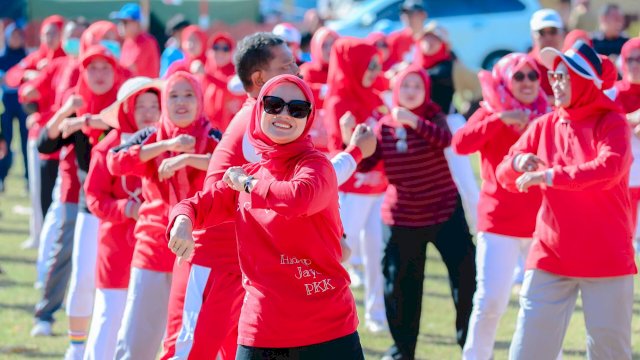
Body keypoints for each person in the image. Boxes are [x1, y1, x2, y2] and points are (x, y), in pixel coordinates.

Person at [168, 74, 365, 359]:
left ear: (308, 119)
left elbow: (297, 198)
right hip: (262, 330)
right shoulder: (248, 173)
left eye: (297, 109)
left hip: (327, 328)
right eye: (274, 104)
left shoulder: (315, 166)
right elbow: (200, 203)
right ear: (259, 109)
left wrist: (248, 185)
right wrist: (183, 221)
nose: (284, 114)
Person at [496, 40, 636, 360]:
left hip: (607, 257)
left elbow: (609, 169)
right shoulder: (543, 125)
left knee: (609, 352)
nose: (554, 83)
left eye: (564, 76)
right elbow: (506, 172)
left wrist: (547, 176)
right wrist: (518, 164)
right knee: (527, 351)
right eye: (554, 76)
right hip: (551, 254)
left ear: (586, 81)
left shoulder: (611, 122)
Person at [353, 67, 475, 359]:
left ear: (425, 90)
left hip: (445, 211)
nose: (410, 90)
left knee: (466, 279)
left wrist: (414, 121)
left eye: (416, 85)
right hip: (403, 218)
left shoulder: (433, 116)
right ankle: (402, 351)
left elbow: (446, 140)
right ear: (396, 89)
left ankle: (470, 345)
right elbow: (367, 166)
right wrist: (356, 144)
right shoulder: (384, 126)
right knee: (401, 289)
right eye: (405, 85)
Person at [108, 71, 218, 360]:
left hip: (200, 253)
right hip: (153, 247)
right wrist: (166, 146)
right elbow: (115, 162)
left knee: (194, 341)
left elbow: (233, 165)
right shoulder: (152, 135)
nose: (181, 102)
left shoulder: (213, 135)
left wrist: (188, 157)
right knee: (137, 341)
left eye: (188, 95)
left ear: (200, 100)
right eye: (173, 95)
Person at [452, 53, 548, 360]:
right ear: (505, 80)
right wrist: (500, 119)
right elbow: (461, 145)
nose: (528, 83)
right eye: (518, 76)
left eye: (533, 75)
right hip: (499, 223)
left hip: (541, 225)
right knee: (491, 301)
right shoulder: (490, 110)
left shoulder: (547, 111)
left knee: (540, 304)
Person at [38, 45, 126, 360]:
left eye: (105, 68)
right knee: (84, 276)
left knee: (122, 284)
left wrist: (88, 120)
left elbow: (125, 125)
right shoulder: (77, 104)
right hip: (90, 205)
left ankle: (114, 346)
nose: (99, 75)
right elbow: (45, 143)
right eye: (92, 68)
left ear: (116, 71)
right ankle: (76, 348)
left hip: (128, 208)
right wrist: (66, 112)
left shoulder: (124, 103)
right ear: (83, 73)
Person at [83, 77, 161, 360]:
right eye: (140, 106)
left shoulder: (164, 143)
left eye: (155, 105)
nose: (149, 112)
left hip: (155, 252)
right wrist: (126, 210)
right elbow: (93, 197)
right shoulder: (108, 148)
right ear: (125, 109)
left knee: (144, 327)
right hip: (117, 248)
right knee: (109, 318)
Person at [323, 37, 388, 333]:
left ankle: (377, 314)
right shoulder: (338, 100)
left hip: (378, 191)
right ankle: (331, 316)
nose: (376, 70)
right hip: (350, 193)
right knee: (338, 256)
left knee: (378, 255)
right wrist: (351, 135)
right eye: (370, 64)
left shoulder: (375, 97)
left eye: (377, 63)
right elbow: (341, 149)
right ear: (353, 65)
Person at [6, 15, 65, 250]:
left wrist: (38, 78)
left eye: (54, 33)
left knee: (57, 191)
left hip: (62, 135)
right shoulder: (38, 56)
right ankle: (38, 235)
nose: (49, 38)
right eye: (46, 33)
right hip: (38, 133)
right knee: (37, 188)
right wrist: (29, 76)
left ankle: (52, 237)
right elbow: (11, 76)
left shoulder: (65, 60)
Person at [614, 38, 640, 250]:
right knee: (623, 237)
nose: (634, 64)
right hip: (623, 175)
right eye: (630, 59)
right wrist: (631, 118)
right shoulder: (613, 93)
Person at [0, 22, 27, 192]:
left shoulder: (26, 57)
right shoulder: (2, 58)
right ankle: (1, 178)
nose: (16, 39)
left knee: (26, 143)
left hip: (23, 105)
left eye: (19, 36)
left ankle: (29, 181)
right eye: (13, 36)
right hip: (6, 106)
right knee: (5, 143)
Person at [202, 32, 244, 132]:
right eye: (216, 47)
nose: (220, 52)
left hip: (228, 129)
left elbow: (229, 86)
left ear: (231, 52)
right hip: (210, 127)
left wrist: (206, 75)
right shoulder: (209, 69)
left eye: (225, 48)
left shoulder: (236, 71)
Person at [111, 2, 160, 77]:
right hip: (133, 86)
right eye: (120, 22)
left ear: (137, 23)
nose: (121, 25)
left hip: (146, 86)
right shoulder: (127, 42)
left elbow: (131, 68)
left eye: (125, 22)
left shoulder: (146, 41)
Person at [529, 9, 565, 99]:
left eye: (553, 31)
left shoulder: (571, 63)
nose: (548, 37)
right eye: (541, 32)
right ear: (533, 36)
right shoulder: (526, 66)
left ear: (562, 33)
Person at [386, 0, 427, 67]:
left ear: (423, 15)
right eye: (403, 13)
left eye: (411, 13)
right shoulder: (394, 39)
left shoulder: (432, 38)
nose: (406, 17)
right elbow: (387, 67)